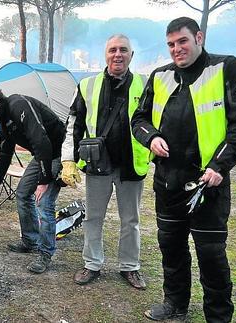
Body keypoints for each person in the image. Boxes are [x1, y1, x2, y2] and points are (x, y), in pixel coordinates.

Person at [131, 17, 236, 322]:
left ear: (199, 37)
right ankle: (175, 302)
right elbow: (138, 120)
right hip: (168, 182)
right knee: (171, 248)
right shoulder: (160, 76)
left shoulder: (226, 68)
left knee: (211, 256)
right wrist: (152, 138)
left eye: (183, 41)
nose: (177, 49)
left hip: (208, 185)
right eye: (171, 44)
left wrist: (220, 165)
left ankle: (218, 316)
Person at [60, 34, 150, 290]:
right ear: (106, 55)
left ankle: (130, 267)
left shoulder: (145, 85)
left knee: (130, 220)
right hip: (98, 164)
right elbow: (73, 125)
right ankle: (92, 264)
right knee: (93, 218)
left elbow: (156, 123)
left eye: (123, 50)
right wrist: (68, 159)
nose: (117, 54)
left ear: (131, 55)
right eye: (113, 50)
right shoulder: (87, 85)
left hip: (131, 166)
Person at [0, 86, 65, 274]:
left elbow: (41, 140)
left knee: (44, 202)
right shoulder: (3, 121)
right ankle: (30, 240)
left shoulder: (18, 105)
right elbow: (5, 153)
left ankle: (45, 253)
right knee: (23, 193)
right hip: (42, 155)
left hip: (59, 152)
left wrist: (44, 179)